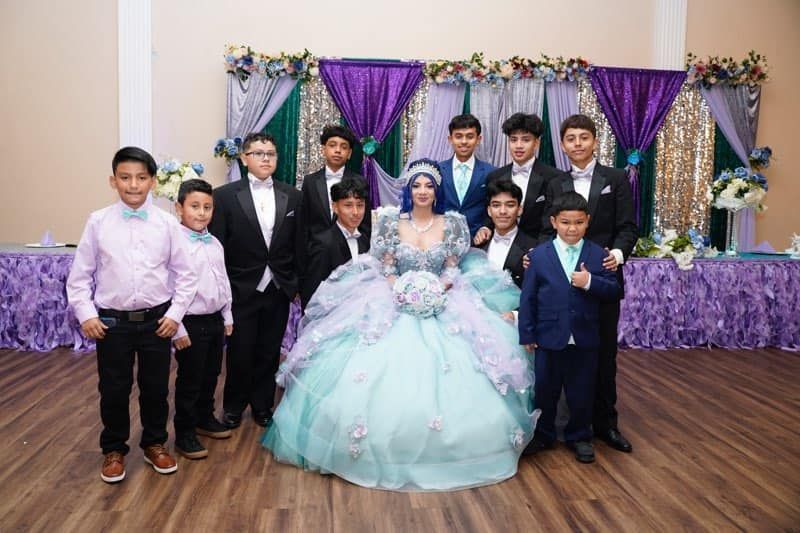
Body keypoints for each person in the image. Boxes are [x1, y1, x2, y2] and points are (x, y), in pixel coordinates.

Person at [262, 159, 537, 491]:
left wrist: (437, 288)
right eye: (417, 185)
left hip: (444, 301)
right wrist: (402, 289)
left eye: (429, 186)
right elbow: (388, 266)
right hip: (393, 299)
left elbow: (452, 267)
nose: (423, 191)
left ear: (437, 191)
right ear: (409, 189)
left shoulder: (452, 223)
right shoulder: (391, 222)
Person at [66, 146, 197, 483]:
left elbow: (186, 275)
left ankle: (155, 443)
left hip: (157, 322)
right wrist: (86, 314)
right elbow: (79, 277)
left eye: (141, 178)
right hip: (112, 324)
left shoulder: (167, 224)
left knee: (155, 388)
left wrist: (175, 314)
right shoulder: (98, 222)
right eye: (125, 178)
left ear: (153, 181)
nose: (133, 185)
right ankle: (113, 449)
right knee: (113, 388)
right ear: (113, 181)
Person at [541, 114, 638, 453]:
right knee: (566, 355)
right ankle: (566, 426)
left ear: (595, 141)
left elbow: (628, 227)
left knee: (604, 356)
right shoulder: (555, 182)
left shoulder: (616, 178)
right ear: (563, 144)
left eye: (584, 137)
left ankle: (606, 425)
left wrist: (617, 254)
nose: (578, 143)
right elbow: (546, 229)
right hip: (564, 282)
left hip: (603, 278)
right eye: (571, 138)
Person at [208, 133, 303, 429]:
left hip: (278, 287)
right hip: (240, 287)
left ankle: (263, 405)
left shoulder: (293, 196)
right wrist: (224, 288)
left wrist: (294, 284)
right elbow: (218, 246)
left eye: (271, 154)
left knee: (269, 351)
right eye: (259, 153)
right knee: (239, 350)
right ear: (244, 158)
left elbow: (298, 243)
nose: (265, 159)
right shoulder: (224, 196)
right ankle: (234, 406)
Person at [519, 192, 619, 463]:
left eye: (578, 222)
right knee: (545, 389)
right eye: (565, 222)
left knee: (582, 390)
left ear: (588, 221)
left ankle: (580, 436)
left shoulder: (599, 255)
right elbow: (528, 297)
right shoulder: (539, 256)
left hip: (585, 336)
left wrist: (589, 282)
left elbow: (614, 290)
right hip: (548, 335)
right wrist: (527, 332)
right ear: (554, 222)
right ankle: (543, 434)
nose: (572, 229)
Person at [171, 179, 234, 460]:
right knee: (190, 378)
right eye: (194, 206)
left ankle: (204, 417)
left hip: (214, 319)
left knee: (211, 373)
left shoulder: (215, 243)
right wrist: (177, 328)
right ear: (179, 208)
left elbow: (223, 281)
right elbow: (168, 288)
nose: (201, 213)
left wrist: (227, 314)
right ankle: (185, 431)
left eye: (207, 207)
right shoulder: (174, 245)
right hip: (189, 322)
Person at [474, 112, 561, 246]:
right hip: (501, 247)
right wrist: (485, 227)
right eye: (513, 140)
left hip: (538, 248)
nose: (518, 145)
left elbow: (552, 221)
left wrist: (539, 251)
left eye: (526, 140)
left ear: (536, 143)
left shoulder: (553, 177)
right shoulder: (495, 176)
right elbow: (491, 211)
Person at [300, 177, 370, 309]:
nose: (355, 212)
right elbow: (311, 292)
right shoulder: (322, 243)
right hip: (330, 316)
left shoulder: (363, 240)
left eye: (360, 205)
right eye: (348, 205)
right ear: (335, 207)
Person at [301, 125, 370, 244]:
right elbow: (303, 221)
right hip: (316, 249)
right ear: (323, 149)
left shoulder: (360, 182)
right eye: (332, 145)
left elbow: (365, 223)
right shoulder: (310, 181)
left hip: (349, 248)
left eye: (344, 147)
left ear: (349, 153)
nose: (338, 150)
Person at [439, 114, 496, 237]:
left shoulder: (491, 172)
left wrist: (486, 227)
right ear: (450, 139)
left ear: (478, 139)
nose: (464, 141)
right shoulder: (438, 170)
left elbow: (494, 206)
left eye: (470, 136)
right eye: (458, 136)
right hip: (442, 239)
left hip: (478, 239)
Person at [476, 179, 536, 289]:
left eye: (510, 205)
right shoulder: (478, 244)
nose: (502, 211)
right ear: (489, 210)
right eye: (496, 205)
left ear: (519, 210)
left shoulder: (533, 248)